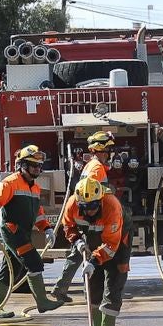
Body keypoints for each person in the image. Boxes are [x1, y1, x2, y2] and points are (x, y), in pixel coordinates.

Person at [0, 144, 64, 317]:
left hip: (24, 232)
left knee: (9, 269)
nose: (38, 169)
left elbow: (38, 214)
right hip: (13, 231)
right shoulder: (10, 183)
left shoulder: (35, 188)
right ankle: (42, 302)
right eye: (34, 165)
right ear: (23, 165)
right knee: (33, 262)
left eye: (40, 166)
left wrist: (47, 229)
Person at [50, 130, 119, 304]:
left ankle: (61, 289)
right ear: (101, 151)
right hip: (91, 215)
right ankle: (88, 291)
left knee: (78, 253)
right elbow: (94, 196)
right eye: (108, 151)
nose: (110, 154)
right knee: (85, 253)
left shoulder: (92, 165)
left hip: (86, 213)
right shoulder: (96, 168)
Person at [61, 176, 130, 326]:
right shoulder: (72, 204)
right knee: (93, 285)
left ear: (100, 200)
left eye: (93, 206)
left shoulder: (112, 206)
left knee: (114, 281)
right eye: (86, 207)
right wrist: (77, 241)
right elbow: (68, 225)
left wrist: (93, 260)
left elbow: (111, 245)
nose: (90, 210)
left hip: (118, 240)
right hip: (92, 239)